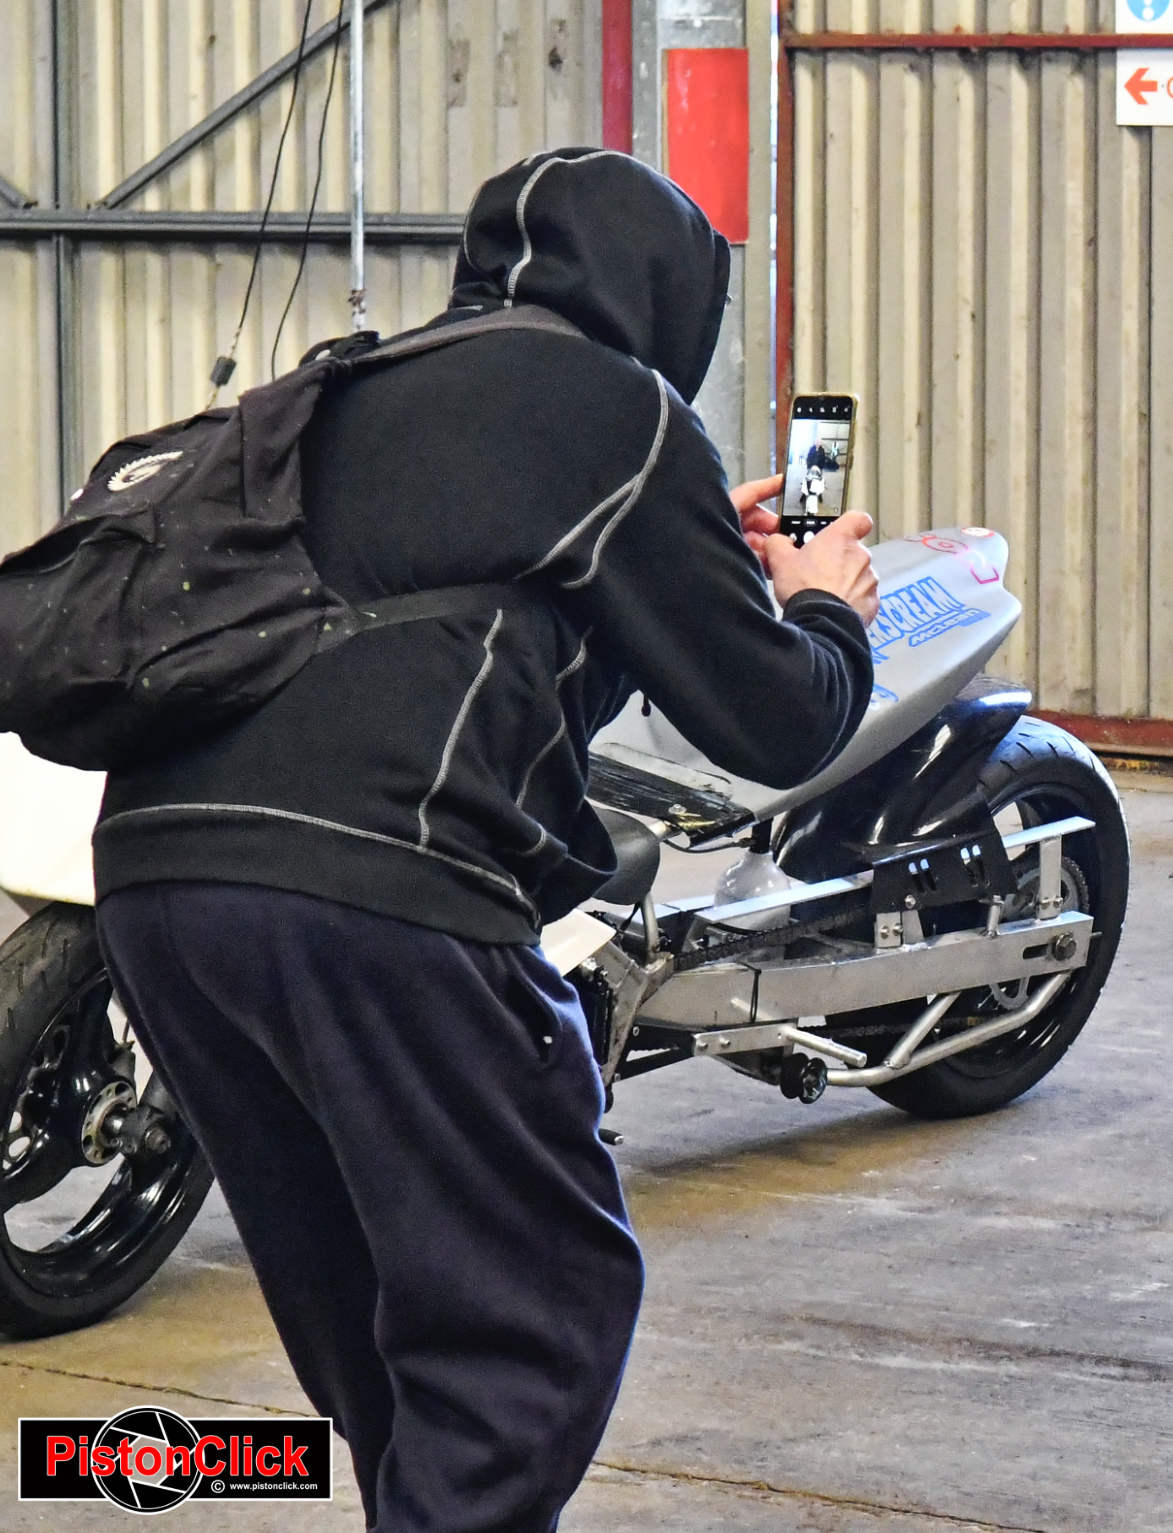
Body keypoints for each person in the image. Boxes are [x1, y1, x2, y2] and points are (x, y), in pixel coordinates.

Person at [92, 149, 879, 1532]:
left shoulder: (351, 386)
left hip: (160, 881)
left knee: (383, 1314)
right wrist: (822, 603)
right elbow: (781, 724)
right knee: (539, 1308)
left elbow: (446, 647)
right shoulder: (621, 413)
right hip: (375, 882)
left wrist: (686, 558)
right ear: (666, 301)